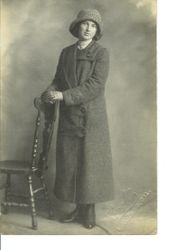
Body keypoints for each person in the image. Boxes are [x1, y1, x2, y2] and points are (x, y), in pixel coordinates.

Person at [41, 9, 114, 229]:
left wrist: (64, 96)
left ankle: (88, 211)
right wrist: (49, 92)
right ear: (77, 27)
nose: (88, 28)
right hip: (69, 117)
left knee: (89, 164)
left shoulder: (101, 53)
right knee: (71, 164)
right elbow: (58, 80)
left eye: (93, 25)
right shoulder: (66, 52)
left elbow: (95, 86)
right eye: (85, 24)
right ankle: (77, 209)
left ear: (97, 30)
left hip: (91, 117)